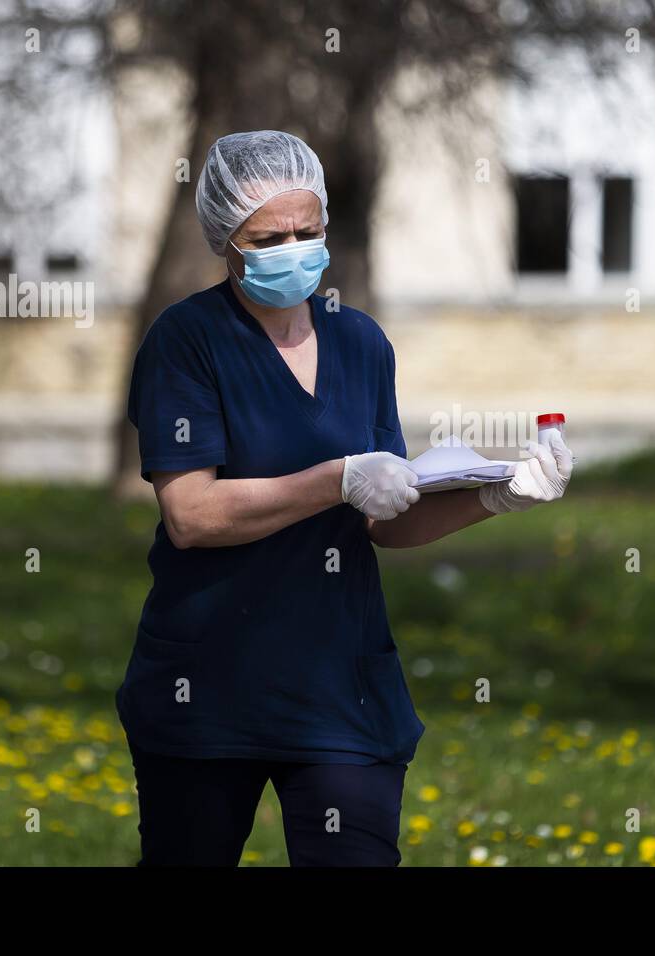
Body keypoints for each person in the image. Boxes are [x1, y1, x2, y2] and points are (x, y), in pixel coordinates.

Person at [115, 130, 575, 866]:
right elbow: (192, 516)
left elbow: (383, 521)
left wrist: (500, 496)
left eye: (308, 231)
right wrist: (335, 477)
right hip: (207, 691)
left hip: (341, 688)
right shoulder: (187, 342)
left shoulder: (361, 344)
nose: (292, 249)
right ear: (225, 240)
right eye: (268, 238)